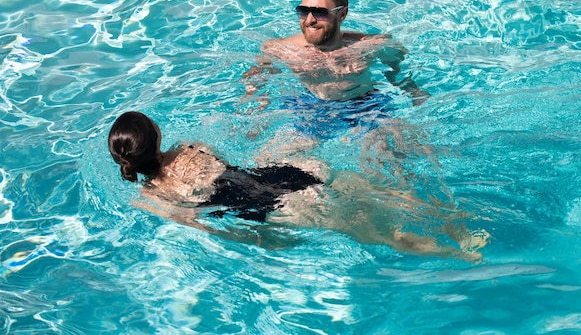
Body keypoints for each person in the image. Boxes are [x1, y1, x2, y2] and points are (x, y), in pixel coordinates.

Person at [108, 111, 488, 261]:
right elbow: (237, 167)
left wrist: (264, 240)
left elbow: (211, 229)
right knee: (384, 194)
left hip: (275, 211)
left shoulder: (153, 199)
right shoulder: (191, 146)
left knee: (382, 234)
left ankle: (461, 256)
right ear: (156, 134)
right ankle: (458, 225)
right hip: (287, 174)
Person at [242, 0, 428, 141]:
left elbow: (397, 67)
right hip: (312, 105)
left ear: (342, 14)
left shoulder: (371, 45)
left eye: (320, 12)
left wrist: (413, 92)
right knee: (277, 156)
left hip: (365, 105)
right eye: (303, 11)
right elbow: (258, 77)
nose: (309, 20)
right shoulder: (280, 48)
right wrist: (257, 107)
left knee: (388, 156)